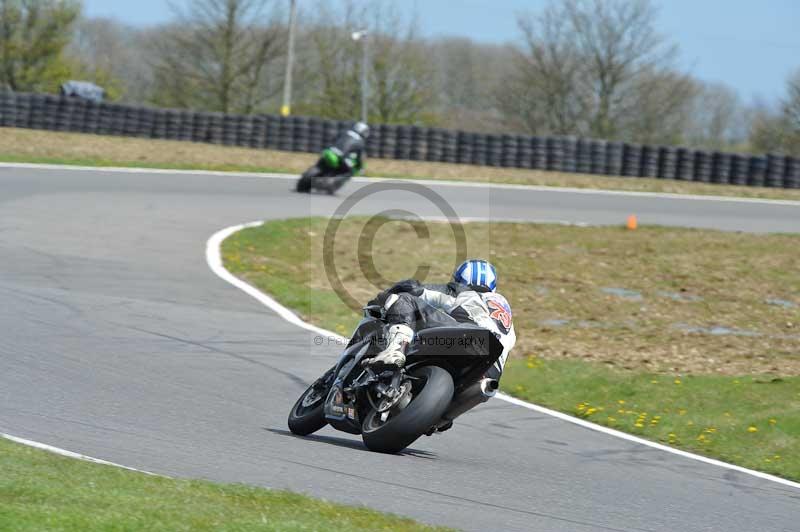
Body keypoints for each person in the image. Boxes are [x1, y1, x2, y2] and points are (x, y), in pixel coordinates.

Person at [365, 259, 516, 382]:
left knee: (406, 300)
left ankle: (395, 350)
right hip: (490, 370)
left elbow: (416, 289)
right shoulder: (504, 309)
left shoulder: (462, 292)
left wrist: (386, 295)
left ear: (459, 280)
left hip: (467, 340)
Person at [296, 121, 369, 193]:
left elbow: (333, 140)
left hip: (330, 151)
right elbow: (359, 158)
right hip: (342, 158)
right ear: (364, 132)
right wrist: (360, 167)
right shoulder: (361, 142)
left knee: (320, 164)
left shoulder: (344, 132)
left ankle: (311, 180)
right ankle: (333, 183)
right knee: (350, 171)